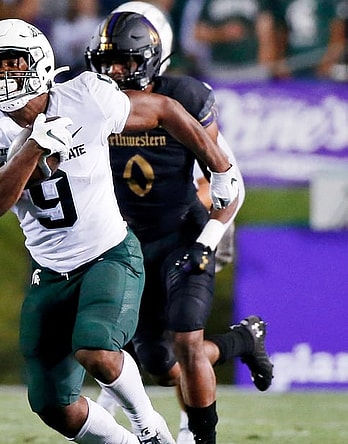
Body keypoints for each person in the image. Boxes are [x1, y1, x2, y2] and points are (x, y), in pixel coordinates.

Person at [0, 18, 240, 444]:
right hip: (49, 270)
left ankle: (149, 428)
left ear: (40, 62)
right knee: (53, 406)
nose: (4, 75)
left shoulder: (86, 97)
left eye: (13, 63)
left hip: (109, 254)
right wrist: (34, 145)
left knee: (96, 349)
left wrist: (220, 166)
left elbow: (164, 109)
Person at [85, 11, 273, 444]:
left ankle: (201, 438)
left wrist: (208, 242)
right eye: (107, 61)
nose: (115, 71)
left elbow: (230, 182)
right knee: (159, 361)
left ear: (152, 60)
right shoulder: (90, 98)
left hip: (182, 234)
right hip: (129, 242)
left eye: (126, 61)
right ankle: (241, 341)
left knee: (188, 340)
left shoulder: (185, 98)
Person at [192, 0, 276, 81]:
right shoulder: (211, 1)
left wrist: (264, 66)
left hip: (252, 66)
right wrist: (221, 33)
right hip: (220, 66)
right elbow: (199, 32)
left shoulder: (261, 2)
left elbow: (266, 33)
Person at [268, 0, 346, 79]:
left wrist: (329, 59)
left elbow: (337, 29)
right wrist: (282, 61)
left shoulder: (327, 2)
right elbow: (280, 31)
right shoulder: (282, 2)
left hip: (321, 61)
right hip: (293, 62)